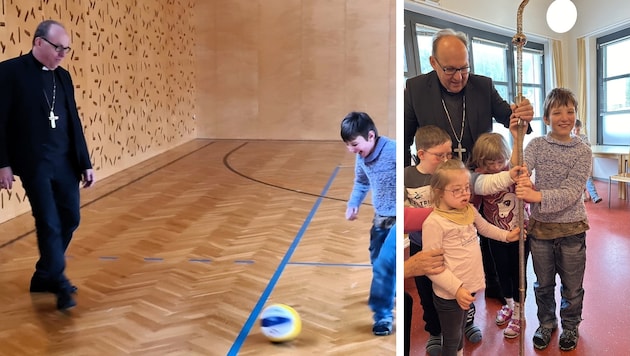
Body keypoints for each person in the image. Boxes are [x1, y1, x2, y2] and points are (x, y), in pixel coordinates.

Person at [404, 27, 534, 303]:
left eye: (464, 68)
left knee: (482, 244)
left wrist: (524, 115)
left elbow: (510, 119)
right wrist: (404, 185)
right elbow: (404, 140)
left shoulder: (483, 85)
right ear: (433, 63)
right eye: (450, 70)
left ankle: (491, 295)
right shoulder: (415, 89)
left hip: (478, 179)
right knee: (441, 248)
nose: (459, 77)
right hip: (438, 185)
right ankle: (443, 312)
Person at [0, 20, 95, 310]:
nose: (63, 54)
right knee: (49, 222)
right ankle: (59, 282)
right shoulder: (9, 72)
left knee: (70, 218)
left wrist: (85, 162)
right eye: (58, 48)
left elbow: (73, 122)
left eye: (67, 49)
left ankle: (44, 275)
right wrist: (2, 163)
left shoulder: (63, 77)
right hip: (34, 163)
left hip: (65, 161)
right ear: (39, 43)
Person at [511, 88, 591, 351]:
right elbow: (519, 169)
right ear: (546, 118)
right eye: (557, 112)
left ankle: (570, 326)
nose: (564, 117)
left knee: (572, 287)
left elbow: (571, 192)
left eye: (570, 111)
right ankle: (547, 323)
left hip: (571, 229)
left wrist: (535, 195)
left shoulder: (583, 151)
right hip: (541, 230)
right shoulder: (536, 145)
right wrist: (517, 140)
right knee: (543, 284)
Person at [422, 159, 521, 356]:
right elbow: (432, 267)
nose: (465, 193)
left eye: (467, 188)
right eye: (457, 190)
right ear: (440, 192)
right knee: (451, 340)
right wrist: (456, 289)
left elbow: (484, 228)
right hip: (450, 294)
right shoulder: (434, 223)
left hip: (467, 289)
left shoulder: (468, 210)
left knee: (459, 332)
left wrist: (506, 236)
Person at [469, 133, 530, 339]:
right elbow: (474, 205)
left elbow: (529, 191)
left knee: (518, 273)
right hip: (496, 235)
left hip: (520, 234)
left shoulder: (513, 170)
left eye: (499, 161)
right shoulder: (479, 177)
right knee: (501, 272)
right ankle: (510, 306)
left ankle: (520, 314)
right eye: (490, 162)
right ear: (480, 161)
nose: (496, 166)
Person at [340, 111, 396, 336]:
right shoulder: (361, 158)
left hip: (397, 220)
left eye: (354, 144)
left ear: (371, 136)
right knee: (376, 261)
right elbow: (361, 182)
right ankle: (388, 294)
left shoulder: (392, 152)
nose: (351, 150)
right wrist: (354, 203)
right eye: (347, 145)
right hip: (380, 220)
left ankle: (382, 316)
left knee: (384, 264)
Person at [573, 119, 602, 203]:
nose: (576, 132)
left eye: (577, 130)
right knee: (577, 180)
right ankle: (583, 195)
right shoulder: (568, 137)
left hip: (584, 163)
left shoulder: (583, 137)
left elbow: (588, 146)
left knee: (588, 178)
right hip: (573, 165)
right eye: (574, 130)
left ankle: (594, 196)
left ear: (580, 128)